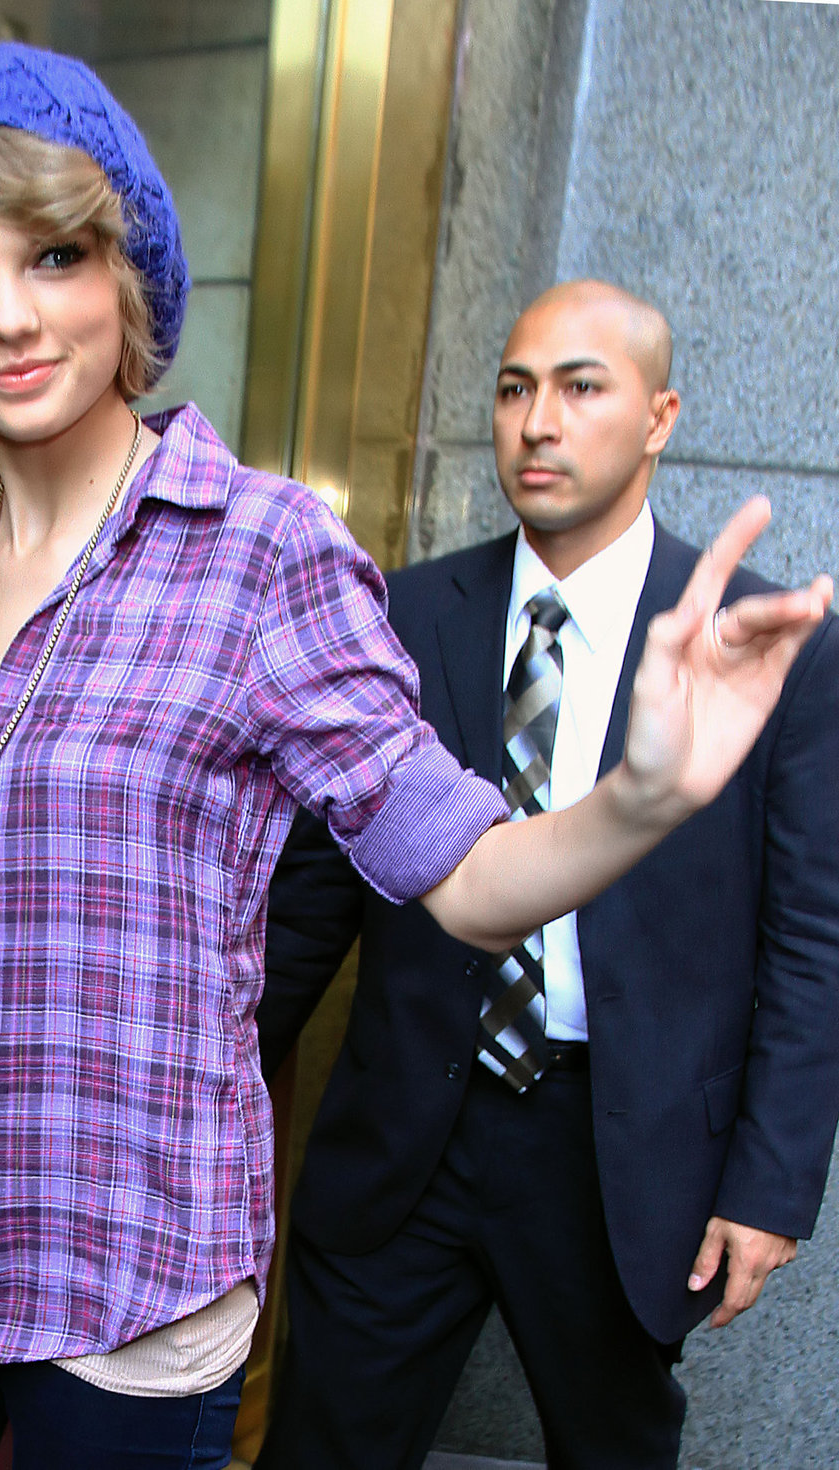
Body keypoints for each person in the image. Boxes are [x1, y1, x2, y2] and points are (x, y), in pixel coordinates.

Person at [0, 44, 830, 1470]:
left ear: (130, 278)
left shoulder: (264, 552)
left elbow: (459, 873)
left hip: (131, 1271)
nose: (10, 317)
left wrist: (642, 793)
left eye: (56, 256)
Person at [254, 280, 839, 1470]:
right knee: (321, 1445)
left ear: (659, 416)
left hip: (617, 1149)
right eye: (514, 389)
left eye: (580, 387)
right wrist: (190, 1089)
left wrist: (770, 1185)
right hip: (405, 1129)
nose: (536, 421)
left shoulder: (756, 642)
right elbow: (310, 898)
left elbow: (811, 936)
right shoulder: (402, 613)